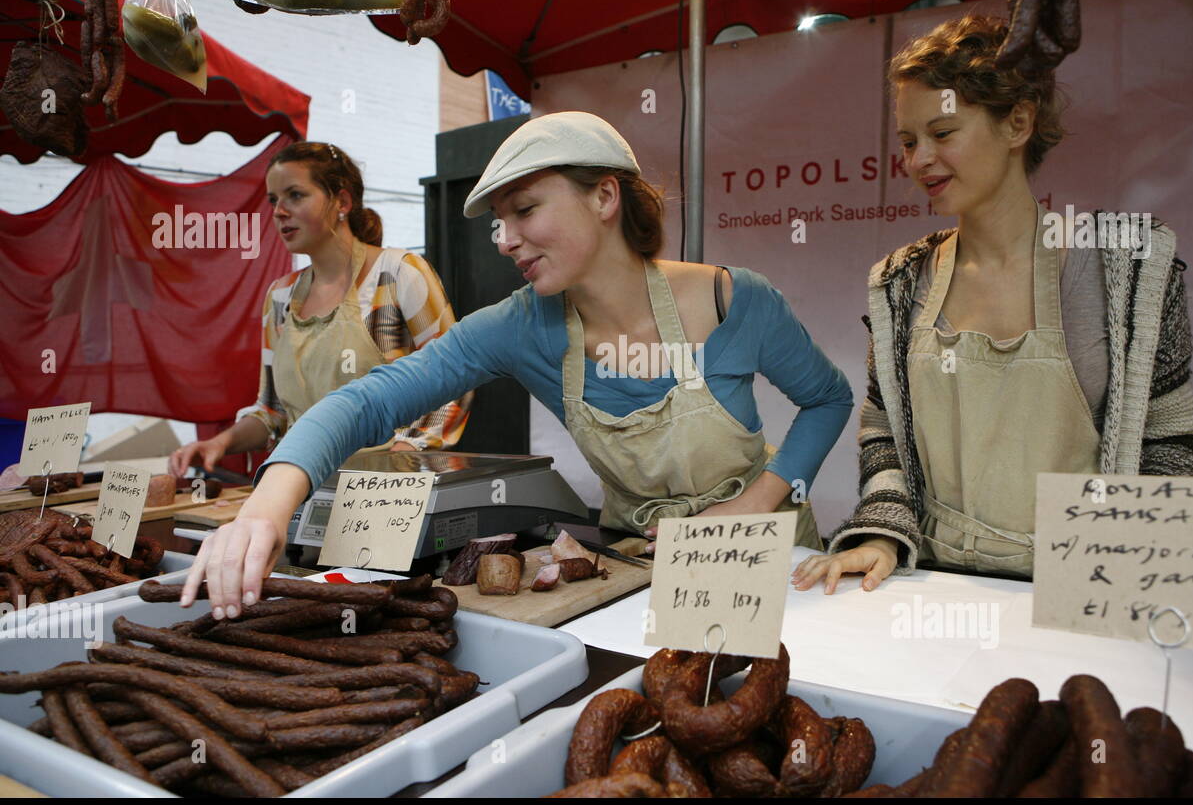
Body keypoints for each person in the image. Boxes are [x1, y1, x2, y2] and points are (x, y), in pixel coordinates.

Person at [181, 112, 853, 619]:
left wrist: (760, 498)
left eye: (525, 211)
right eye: (498, 221)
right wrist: (268, 505)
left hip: (771, 561)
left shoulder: (733, 299)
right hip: (641, 564)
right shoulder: (519, 325)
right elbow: (371, 399)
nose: (505, 241)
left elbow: (829, 398)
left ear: (604, 197)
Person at [793, 14, 1193, 595]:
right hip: (933, 588)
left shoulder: (1125, 268)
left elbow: (1170, 442)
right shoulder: (898, 283)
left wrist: (1141, 582)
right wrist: (882, 533)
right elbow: (883, 430)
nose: (919, 160)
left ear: (1017, 123)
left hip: (1082, 589)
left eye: (943, 133)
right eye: (909, 142)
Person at [168, 141, 470, 479]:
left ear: (341, 201)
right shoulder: (280, 297)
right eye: (273, 200)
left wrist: (399, 458)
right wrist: (219, 443)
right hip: (303, 490)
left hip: (388, 498)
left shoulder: (399, 274)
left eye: (295, 195)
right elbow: (273, 412)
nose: (279, 211)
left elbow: (455, 378)